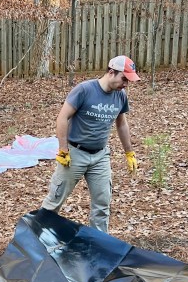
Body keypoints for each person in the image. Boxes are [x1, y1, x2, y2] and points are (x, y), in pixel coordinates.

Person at [40, 55, 140, 234]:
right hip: (75, 154)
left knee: (102, 205)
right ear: (111, 72)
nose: (126, 84)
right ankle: (35, 239)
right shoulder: (84, 90)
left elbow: (121, 123)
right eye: (124, 79)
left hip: (100, 156)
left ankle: (98, 247)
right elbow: (62, 118)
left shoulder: (121, 95)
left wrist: (129, 153)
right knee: (55, 200)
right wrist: (63, 149)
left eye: (128, 81)